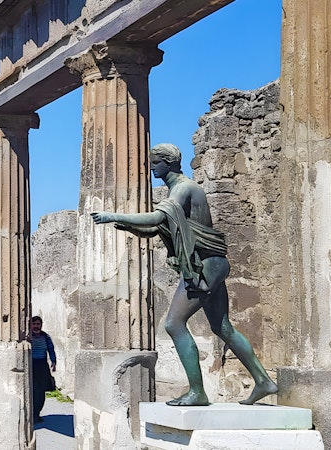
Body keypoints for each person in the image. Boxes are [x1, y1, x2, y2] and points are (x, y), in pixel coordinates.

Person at [91, 143, 278, 406]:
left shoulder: (183, 188)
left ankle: (197, 392)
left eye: (155, 163)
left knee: (174, 324)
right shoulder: (180, 191)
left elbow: (157, 219)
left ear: (168, 163)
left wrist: (113, 215)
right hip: (212, 264)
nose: (152, 167)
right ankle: (263, 381)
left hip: (205, 266)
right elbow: (160, 228)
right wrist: (129, 226)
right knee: (222, 327)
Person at [27, 315, 57, 422]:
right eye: (34, 324)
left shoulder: (46, 337)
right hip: (30, 365)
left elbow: (51, 349)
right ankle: (30, 414)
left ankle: (36, 414)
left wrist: (53, 362)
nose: (36, 326)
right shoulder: (27, 337)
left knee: (40, 392)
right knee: (31, 390)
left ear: (41, 325)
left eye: (38, 324)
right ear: (30, 325)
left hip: (42, 366)